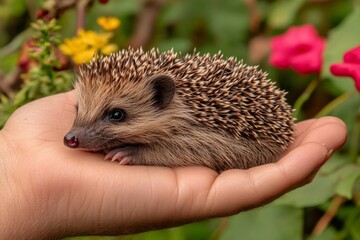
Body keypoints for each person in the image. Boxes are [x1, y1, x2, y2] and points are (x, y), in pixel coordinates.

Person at [0, 91, 347, 239]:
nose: (74, 136)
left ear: (162, 100)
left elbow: (190, 148)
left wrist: (141, 154)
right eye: (79, 115)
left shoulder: (189, 127)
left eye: (116, 116)